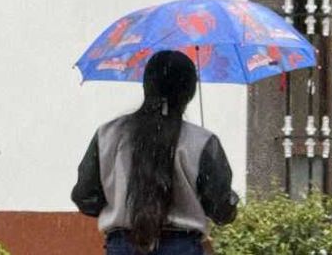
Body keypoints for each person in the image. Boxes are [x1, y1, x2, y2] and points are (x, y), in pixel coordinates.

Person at [71, 50, 239, 255]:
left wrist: (122, 204)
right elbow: (221, 210)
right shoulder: (202, 141)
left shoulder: (108, 135)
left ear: (146, 86)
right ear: (190, 92)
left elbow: (85, 197)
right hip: (181, 247)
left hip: (123, 246)